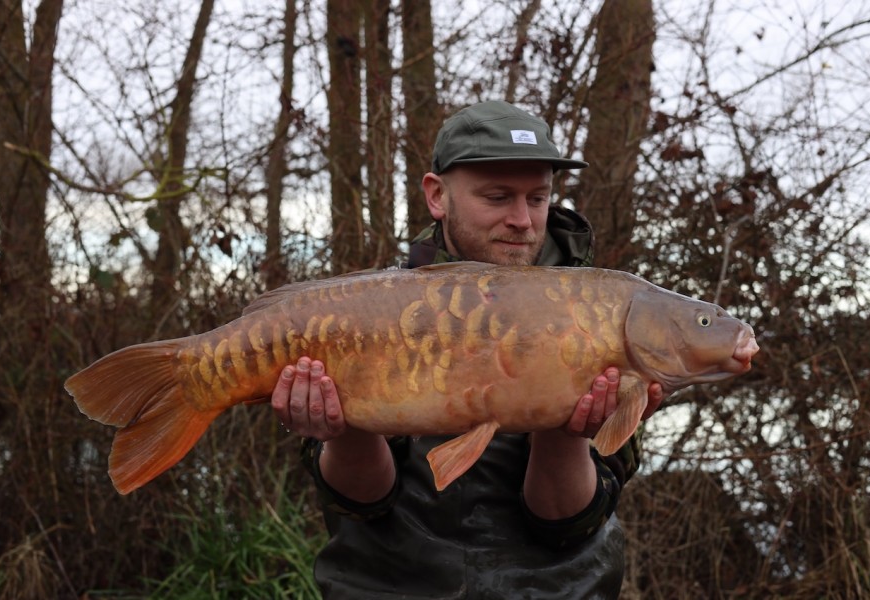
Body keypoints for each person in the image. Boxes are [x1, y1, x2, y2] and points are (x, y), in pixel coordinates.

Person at [271, 100, 664, 599]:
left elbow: (565, 525)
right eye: (498, 197)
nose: (522, 220)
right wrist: (344, 429)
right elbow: (363, 504)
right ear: (437, 195)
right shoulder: (370, 314)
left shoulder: (605, 321)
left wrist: (565, 433)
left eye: (538, 198)